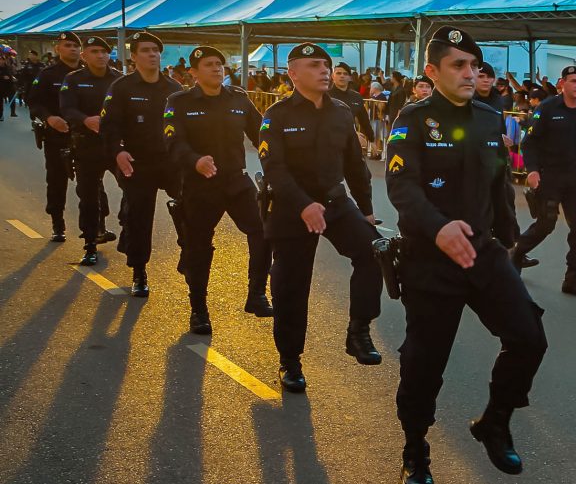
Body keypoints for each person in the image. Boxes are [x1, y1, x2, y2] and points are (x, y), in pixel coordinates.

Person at [384, 26, 547, 484]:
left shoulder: (488, 118)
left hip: (483, 252)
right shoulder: (412, 119)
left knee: (529, 338)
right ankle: (415, 449)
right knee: (423, 364)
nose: (469, 73)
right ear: (432, 71)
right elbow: (402, 187)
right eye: (458, 65)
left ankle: (495, 422)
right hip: (430, 258)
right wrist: (438, 227)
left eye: (474, 65)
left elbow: (499, 182)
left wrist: (512, 244)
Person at [258, 43, 382, 392]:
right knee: (291, 287)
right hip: (289, 206)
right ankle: (290, 361)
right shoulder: (277, 115)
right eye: (314, 66)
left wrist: (368, 211)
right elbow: (274, 168)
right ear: (293, 73)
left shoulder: (341, 112)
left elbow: (356, 167)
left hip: (334, 202)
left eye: (326, 65)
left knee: (375, 250)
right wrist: (302, 204)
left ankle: (358, 331)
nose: (324, 71)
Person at [164, 46, 273, 334]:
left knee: (263, 231)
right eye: (209, 64)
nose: (217, 69)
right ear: (194, 72)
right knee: (198, 247)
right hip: (199, 185)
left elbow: (262, 135)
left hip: (236, 181)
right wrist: (195, 160)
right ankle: (198, 309)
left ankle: (257, 293)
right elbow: (173, 142)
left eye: (220, 64)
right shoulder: (179, 101)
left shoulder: (238, 99)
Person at [101, 32, 184, 296]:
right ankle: (139, 270)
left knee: (192, 206)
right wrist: (118, 152)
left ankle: (191, 253)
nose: (152, 55)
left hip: (170, 161)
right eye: (145, 51)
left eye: (155, 51)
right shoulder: (122, 87)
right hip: (137, 160)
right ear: (134, 56)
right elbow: (109, 125)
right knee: (139, 214)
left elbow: (186, 127)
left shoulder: (174, 89)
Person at [510, 65, 576, 297]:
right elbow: (529, 142)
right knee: (546, 223)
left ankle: (572, 277)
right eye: (574, 81)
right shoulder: (547, 108)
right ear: (562, 83)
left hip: (574, 174)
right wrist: (532, 170)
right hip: (549, 173)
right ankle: (517, 253)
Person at [59, 36, 122, 266]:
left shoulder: (119, 80)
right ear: (84, 56)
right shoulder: (73, 79)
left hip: (115, 145)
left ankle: (128, 230)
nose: (100, 56)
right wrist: (86, 120)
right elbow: (67, 108)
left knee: (134, 189)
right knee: (88, 198)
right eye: (94, 51)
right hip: (86, 145)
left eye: (104, 52)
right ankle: (90, 245)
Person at [27, 32, 82, 241]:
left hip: (84, 136)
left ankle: (97, 226)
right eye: (67, 45)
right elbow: (34, 102)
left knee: (91, 183)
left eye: (76, 46)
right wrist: (49, 118)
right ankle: (58, 223)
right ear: (58, 48)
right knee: (57, 180)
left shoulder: (89, 74)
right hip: (57, 136)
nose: (73, 49)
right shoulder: (47, 74)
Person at [330, 62, 373, 145]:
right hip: (331, 142)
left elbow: (364, 120)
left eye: (345, 74)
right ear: (332, 76)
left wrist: (371, 140)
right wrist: (352, 133)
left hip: (351, 143)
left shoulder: (356, 97)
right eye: (338, 73)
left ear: (350, 78)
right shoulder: (325, 96)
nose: (342, 76)